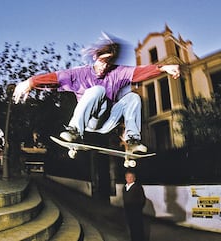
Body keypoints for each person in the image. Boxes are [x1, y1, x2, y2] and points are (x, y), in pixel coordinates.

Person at [12, 33, 180, 152]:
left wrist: (163, 68)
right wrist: (31, 82)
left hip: (108, 121)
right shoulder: (79, 74)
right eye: (102, 62)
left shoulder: (117, 72)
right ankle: (74, 130)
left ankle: (133, 140)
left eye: (108, 63)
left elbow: (138, 72)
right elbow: (55, 78)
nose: (104, 67)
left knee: (133, 98)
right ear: (95, 58)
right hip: (89, 120)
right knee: (98, 90)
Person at [123, 170, 146, 241]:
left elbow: (142, 200)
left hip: (136, 212)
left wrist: (137, 209)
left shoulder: (138, 187)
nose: (129, 178)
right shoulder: (125, 187)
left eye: (131, 177)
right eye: (128, 177)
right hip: (128, 211)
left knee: (138, 228)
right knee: (131, 227)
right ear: (125, 178)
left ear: (134, 178)